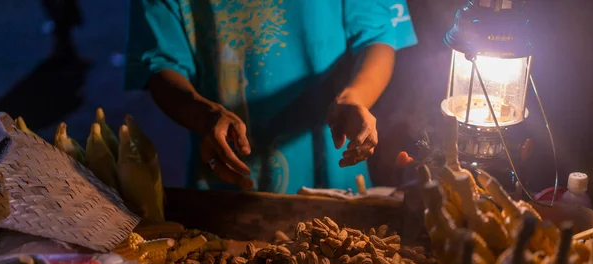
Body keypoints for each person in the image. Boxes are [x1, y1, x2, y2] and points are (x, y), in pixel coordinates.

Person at [125, 0, 417, 193]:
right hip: (227, 169)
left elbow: (379, 35)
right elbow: (159, 62)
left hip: (332, 165)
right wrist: (203, 115)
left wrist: (355, 99)